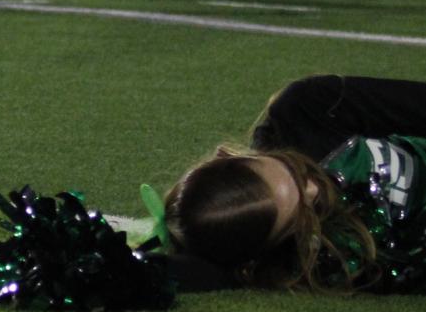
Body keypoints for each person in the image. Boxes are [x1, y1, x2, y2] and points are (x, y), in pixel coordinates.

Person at [157, 75, 426, 293]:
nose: (314, 189)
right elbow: (208, 273)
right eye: (303, 211)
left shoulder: (306, 111)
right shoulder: (319, 263)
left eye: (294, 171)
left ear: (227, 155)